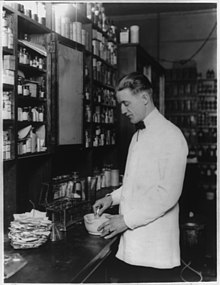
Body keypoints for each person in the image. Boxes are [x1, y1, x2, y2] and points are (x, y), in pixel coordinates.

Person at [93, 72, 188, 283]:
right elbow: (134, 183)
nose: (122, 110)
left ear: (144, 98)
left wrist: (125, 221)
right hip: (131, 248)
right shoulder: (137, 136)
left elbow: (167, 195)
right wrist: (112, 198)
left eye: (126, 103)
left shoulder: (171, 136)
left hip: (155, 252)